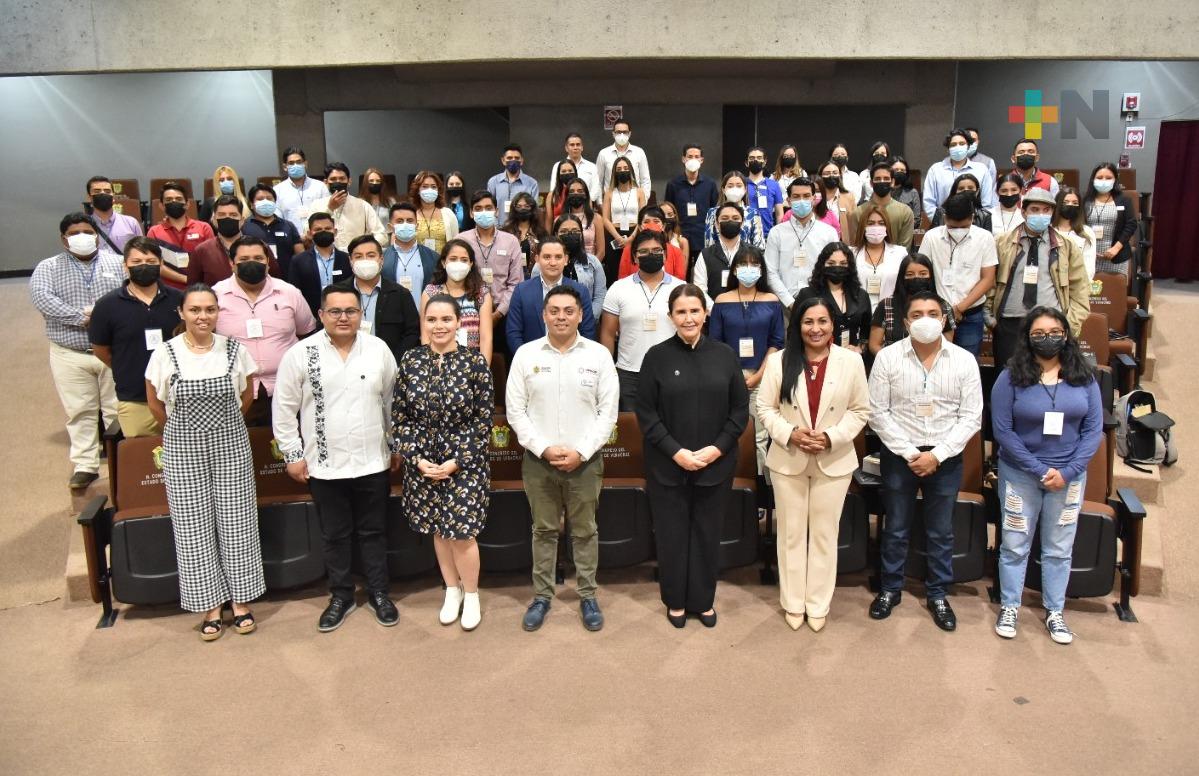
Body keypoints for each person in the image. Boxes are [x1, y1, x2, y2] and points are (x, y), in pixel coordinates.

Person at [273, 285, 399, 633]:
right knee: (335, 535)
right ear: (320, 314)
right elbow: (284, 410)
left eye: (351, 311)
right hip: (323, 464)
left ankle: (378, 592)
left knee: (374, 532)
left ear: (362, 314)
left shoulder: (378, 350)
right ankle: (340, 596)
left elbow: (392, 402)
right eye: (335, 311)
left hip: (373, 459)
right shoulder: (301, 354)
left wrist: (396, 446)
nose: (344, 318)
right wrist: (293, 454)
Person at [144, 283, 263, 641]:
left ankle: (240, 601)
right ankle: (210, 605)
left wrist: (224, 427)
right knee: (193, 527)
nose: (203, 316)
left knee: (238, 520)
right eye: (195, 309)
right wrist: (182, 433)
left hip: (231, 445)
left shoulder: (234, 350)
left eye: (210, 309)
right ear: (181, 313)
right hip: (183, 449)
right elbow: (154, 402)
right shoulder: (166, 353)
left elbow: (247, 393)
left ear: (217, 313)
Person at [506, 285, 619, 632]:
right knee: (543, 530)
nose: (561, 317)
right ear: (544, 314)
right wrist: (543, 448)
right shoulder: (526, 355)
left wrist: (581, 452)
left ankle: (587, 594)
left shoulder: (598, 356)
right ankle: (542, 595)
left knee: (585, 530)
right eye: (554, 310)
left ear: (580, 315)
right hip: (539, 462)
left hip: (585, 463)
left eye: (569, 310)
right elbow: (516, 411)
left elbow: (608, 413)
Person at [868, 291, 983, 632]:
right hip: (899, 454)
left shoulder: (963, 361)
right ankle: (890, 589)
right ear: (905, 322)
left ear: (944, 319)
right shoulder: (888, 358)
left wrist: (937, 455)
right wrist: (909, 453)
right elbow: (878, 412)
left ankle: (937, 594)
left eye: (933, 312)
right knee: (897, 527)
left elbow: (971, 417)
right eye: (917, 314)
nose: (926, 319)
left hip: (945, 457)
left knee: (941, 531)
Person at [637, 284, 749, 628]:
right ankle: (675, 600)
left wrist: (717, 449)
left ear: (706, 313)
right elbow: (646, 414)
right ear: (671, 317)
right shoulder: (655, 357)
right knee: (672, 534)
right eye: (681, 312)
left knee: (706, 533)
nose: (688, 318)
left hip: (716, 463)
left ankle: (702, 600)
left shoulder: (725, 355)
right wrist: (677, 452)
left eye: (694, 311)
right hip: (667, 465)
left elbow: (739, 410)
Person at [991, 307, 1102, 645]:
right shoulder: (1010, 376)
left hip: (1068, 477)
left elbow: (1094, 430)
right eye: (1038, 333)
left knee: (1058, 547)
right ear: (1027, 338)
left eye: (1054, 331)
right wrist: (1039, 470)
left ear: (1066, 334)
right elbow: (1002, 430)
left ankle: (1055, 611)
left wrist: (1067, 472)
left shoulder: (1084, 376)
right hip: (1020, 474)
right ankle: (1010, 605)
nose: (1047, 338)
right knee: (1014, 544)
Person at [757, 297, 869, 631]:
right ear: (798, 326)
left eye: (822, 321)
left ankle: (817, 603)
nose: (815, 328)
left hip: (833, 459)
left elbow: (860, 410)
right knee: (790, 534)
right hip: (789, 458)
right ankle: (793, 602)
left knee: (823, 534)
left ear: (833, 324)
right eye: (808, 322)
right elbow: (765, 409)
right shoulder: (779, 362)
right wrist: (791, 433)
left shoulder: (851, 362)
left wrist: (832, 437)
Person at [392, 294, 494, 631]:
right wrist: (417, 459)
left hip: (464, 461)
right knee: (438, 528)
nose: (439, 326)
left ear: (458, 323)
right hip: (422, 462)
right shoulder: (410, 360)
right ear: (424, 322)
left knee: (462, 531)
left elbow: (483, 421)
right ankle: (452, 590)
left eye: (446, 319)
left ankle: (473, 594)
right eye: (432, 320)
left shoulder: (475, 362)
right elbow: (400, 417)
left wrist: (456, 462)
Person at [31, 213, 125, 488]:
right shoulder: (48, 267)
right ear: (64, 239)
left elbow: (126, 294)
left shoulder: (117, 263)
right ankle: (85, 464)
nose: (82, 236)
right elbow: (42, 298)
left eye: (87, 231)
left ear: (96, 235)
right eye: (75, 233)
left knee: (116, 410)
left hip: (111, 351)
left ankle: (122, 462)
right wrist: (83, 317)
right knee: (80, 410)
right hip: (69, 352)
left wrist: (102, 319)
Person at [213, 235, 317, 427]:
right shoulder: (215, 296)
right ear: (231, 263)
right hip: (235, 391)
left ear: (268, 262)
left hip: (286, 388)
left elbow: (307, 333)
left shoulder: (289, 293)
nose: (252, 263)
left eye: (258, 258)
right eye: (244, 260)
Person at [89, 237, 182, 438]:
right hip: (135, 398)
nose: (144, 267)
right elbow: (101, 350)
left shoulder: (180, 299)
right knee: (146, 464)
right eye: (136, 262)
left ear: (161, 264)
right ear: (125, 266)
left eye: (150, 262)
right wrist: (126, 366)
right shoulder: (107, 305)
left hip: (181, 397)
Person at [989, 188, 1090, 366]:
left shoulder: (1067, 246)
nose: (1040, 215)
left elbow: (1080, 289)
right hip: (1010, 324)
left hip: (1051, 325)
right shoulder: (1001, 242)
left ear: (1052, 213)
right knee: (1009, 381)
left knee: (1048, 380)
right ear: (1023, 211)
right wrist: (990, 320)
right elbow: (989, 282)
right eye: (1035, 210)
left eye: (1046, 210)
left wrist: (1068, 326)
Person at [708, 247, 785, 474]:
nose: (749, 269)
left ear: (762, 270)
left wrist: (759, 375)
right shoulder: (721, 300)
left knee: (760, 436)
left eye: (755, 265)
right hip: (727, 378)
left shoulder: (771, 300)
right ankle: (730, 485)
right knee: (728, 434)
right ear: (734, 269)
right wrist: (734, 376)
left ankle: (758, 491)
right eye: (743, 264)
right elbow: (715, 343)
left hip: (764, 376)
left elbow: (777, 341)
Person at [600, 230, 685, 411]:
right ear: (635, 257)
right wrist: (608, 371)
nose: (650, 255)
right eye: (643, 251)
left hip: (672, 371)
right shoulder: (618, 288)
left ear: (665, 254)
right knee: (633, 433)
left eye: (656, 250)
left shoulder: (680, 288)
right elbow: (607, 334)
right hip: (629, 374)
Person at [921, 192, 998, 357]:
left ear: (972, 218)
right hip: (936, 313)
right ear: (944, 217)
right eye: (952, 227)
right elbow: (923, 275)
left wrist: (959, 309)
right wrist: (944, 309)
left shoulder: (985, 238)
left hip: (971, 314)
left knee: (968, 363)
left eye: (963, 227)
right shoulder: (931, 237)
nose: (957, 231)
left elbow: (988, 278)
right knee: (934, 361)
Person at [331, 235, 421, 363]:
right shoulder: (336, 293)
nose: (365, 260)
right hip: (344, 363)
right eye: (358, 256)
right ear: (350, 261)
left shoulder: (400, 294)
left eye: (371, 255)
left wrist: (393, 361)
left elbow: (412, 332)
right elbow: (325, 328)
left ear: (381, 260)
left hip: (388, 365)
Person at [457, 191, 522, 353]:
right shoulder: (461, 240)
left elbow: (515, 282)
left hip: (503, 314)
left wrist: (498, 314)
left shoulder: (511, 241)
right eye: (478, 209)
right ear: (471, 213)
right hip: (469, 313)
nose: (483, 212)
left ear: (496, 211)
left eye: (488, 208)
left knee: (502, 364)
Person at [507, 237, 596, 353]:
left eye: (558, 257)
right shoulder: (521, 291)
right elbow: (513, 333)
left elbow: (588, 332)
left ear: (566, 259)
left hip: (571, 361)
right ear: (537, 259)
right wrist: (527, 359)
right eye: (547, 257)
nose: (553, 263)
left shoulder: (580, 292)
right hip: (532, 362)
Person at [765, 178, 840, 312]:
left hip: (820, 305)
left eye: (806, 196)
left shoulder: (829, 233)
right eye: (796, 197)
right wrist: (790, 303)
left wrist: (818, 302)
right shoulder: (776, 233)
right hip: (784, 307)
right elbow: (771, 272)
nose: (801, 200)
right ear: (788, 201)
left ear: (814, 198)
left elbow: (833, 270)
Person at [420, 239, 494, 364]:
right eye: (453, 259)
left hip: (472, 364)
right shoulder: (430, 293)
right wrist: (434, 367)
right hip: (438, 363)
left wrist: (482, 371)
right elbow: (426, 337)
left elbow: (486, 339)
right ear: (444, 262)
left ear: (471, 264)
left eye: (464, 260)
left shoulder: (482, 294)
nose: (458, 263)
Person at [868, 254, 956, 355]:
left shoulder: (944, 306)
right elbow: (874, 345)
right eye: (910, 274)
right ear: (902, 277)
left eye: (923, 274)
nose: (916, 278)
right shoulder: (886, 305)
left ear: (931, 276)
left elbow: (947, 345)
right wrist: (892, 362)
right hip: (894, 365)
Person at [187, 195, 281, 287]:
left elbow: (275, 279)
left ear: (242, 220)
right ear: (214, 220)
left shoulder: (260, 247)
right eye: (222, 215)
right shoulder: (201, 251)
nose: (227, 218)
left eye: (233, 215)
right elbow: (193, 288)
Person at [794, 242, 872, 353]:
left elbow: (867, 332)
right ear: (822, 265)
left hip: (851, 359)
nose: (837, 267)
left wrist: (860, 348)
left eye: (843, 263)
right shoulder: (807, 295)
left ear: (850, 266)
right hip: (815, 358)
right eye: (831, 263)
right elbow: (794, 332)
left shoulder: (861, 295)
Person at [538, 215, 607, 319]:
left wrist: (586, 319)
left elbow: (600, 296)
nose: (570, 234)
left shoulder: (593, 262)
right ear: (556, 234)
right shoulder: (541, 264)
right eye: (564, 231)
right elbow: (536, 297)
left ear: (581, 235)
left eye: (575, 231)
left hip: (585, 321)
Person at [146, 182, 212, 288]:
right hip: (167, 291)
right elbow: (155, 265)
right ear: (161, 206)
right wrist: (187, 279)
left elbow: (210, 261)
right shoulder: (154, 232)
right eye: (168, 200)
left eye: (178, 199)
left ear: (187, 204)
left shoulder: (204, 228)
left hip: (200, 289)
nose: (174, 202)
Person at [311, 162, 388, 251]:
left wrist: (364, 248)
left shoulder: (363, 205)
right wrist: (329, 209)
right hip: (326, 256)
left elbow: (382, 235)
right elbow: (308, 232)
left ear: (349, 181)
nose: (338, 182)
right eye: (333, 179)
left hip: (356, 256)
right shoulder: (316, 205)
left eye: (342, 179)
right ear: (326, 182)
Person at [922, 128, 996, 220]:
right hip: (942, 225)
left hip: (974, 226)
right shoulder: (936, 170)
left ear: (968, 146)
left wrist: (976, 223)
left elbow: (987, 203)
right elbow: (928, 203)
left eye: (962, 144)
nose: (957, 147)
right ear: (948, 148)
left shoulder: (981, 170)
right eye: (953, 145)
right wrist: (942, 222)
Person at [663, 143, 719, 264]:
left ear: (701, 160)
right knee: (682, 273)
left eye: (696, 156)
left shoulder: (710, 184)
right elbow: (668, 211)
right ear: (683, 159)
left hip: (703, 236)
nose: (693, 159)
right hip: (680, 237)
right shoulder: (673, 184)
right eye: (690, 156)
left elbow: (714, 211)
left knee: (703, 273)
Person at [289, 212, 350, 318]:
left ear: (335, 232)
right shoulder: (298, 260)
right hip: (310, 315)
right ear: (309, 233)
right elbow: (295, 292)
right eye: (318, 229)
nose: (323, 232)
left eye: (327, 228)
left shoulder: (347, 259)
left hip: (343, 315)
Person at [1083, 162, 1138, 276]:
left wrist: (1116, 248)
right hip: (1088, 256)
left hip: (1116, 256)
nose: (1103, 181)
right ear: (1093, 180)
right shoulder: (1084, 200)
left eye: (1108, 178)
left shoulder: (1124, 200)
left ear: (1115, 180)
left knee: (1113, 291)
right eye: (1099, 177)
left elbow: (1131, 225)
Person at [241, 184, 305, 280]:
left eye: (269, 198)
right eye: (260, 199)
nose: (265, 201)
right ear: (251, 204)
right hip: (256, 279)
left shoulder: (288, 225)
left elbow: (301, 255)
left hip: (287, 279)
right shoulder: (244, 226)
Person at [382, 202, 440, 308]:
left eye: (410, 221)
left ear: (416, 226)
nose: (405, 224)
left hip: (423, 318)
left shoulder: (433, 257)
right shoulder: (382, 258)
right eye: (399, 221)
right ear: (390, 227)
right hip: (392, 319)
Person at [851, 203, 907, 309]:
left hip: (890, 313)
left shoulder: (900, 253)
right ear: (863, 226)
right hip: (859, 314)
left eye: (881, 223)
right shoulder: (851, 254)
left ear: (887, 226)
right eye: (871, 223)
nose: (876, 227)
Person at [616, 206, 688, 281]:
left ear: (663, 226)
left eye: (656, 221)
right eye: (646, 222)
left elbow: (679, 281)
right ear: (640, 227)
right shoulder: (628, 251)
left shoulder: (676, 252)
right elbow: (623, 279)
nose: (651, 225)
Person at [853, 163, 914, 249]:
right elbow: (856, 246)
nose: (882, 181)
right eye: (878, 179)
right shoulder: (858, 212)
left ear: (892, 182)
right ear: (871, 183)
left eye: (886, 178)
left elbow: (904, 249)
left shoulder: (905, 212)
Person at [694, 203, 748, 299]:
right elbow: (700, 291)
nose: (730, 221)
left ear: (742, 223)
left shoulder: (752, 253)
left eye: (735, 218)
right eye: (725, 218)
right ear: (717, 224)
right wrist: (716, 311)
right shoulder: (705, 254)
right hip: (713, 311)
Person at [273, 146, 330, 234]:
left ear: (305, 164)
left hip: (318, 238)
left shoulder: (320, 187)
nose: (295, 165)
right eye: (291, 163)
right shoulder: (277, 190)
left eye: (299, 162)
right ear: (285, 167)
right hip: (291, 241)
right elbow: (277, 219)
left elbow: (328, 213)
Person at [703, 172, 766, 249]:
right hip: (718, 259)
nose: (734, 188)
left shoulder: (753, 213)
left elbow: (759, 245)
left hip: (745, 259)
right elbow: (709, 242)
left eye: (739, 186)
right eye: (730, 186)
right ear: (723, 189)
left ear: (745, 189)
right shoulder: (712, 212)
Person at [602, 156, 646, 263]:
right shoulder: (609, 193)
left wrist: (631, 239)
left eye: (626, 168)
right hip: (614, 234)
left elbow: (643, 217)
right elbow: (605, 219)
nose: (623, 171)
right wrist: (618, 238)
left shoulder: (639, 192)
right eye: (619, 169)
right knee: (614, 269)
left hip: (635, 233)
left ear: (630, 170)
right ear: (614, 173)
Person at [84, 176, 142, 253]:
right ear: (89, 198)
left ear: (113, 197)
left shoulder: (131, 223)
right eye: (97, 191)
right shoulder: (85, 226)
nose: (102, 193)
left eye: (107, 191)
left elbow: (141, 251)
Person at [486, 144, 539, 227]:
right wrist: (496, 228)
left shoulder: (532, 183)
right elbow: (489, 207)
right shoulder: (493, 182)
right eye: (509, 158)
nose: (513, 160)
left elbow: (534, 211)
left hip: (522, 230)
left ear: (521, 161)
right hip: (499, 230)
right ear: (503, 160)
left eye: (517, 158)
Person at [596, 119, 651, 198]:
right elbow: (598, 181)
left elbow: (645, 180)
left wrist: (643, 201)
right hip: (611, 201)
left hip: (635, 201)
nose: (622, 135)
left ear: (630, 134)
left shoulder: (639, 152)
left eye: (625, 132)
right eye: (618, 132)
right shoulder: (604, 154)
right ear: (613, 134)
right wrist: (600, 203)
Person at [409, 170, 460, 253]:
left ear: (438, 190)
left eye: (433, 187)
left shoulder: (448, 214)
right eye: (425, 186)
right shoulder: (411, 214)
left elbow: (456, 241)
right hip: (417, 262)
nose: (429, 189)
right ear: (418, 190)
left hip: (442, 263)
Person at [561, 178, 607, 266]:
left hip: (591, 265)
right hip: (566, 266)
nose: (576, 193)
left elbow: (601, 252)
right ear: (567, 195)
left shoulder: (596, 218)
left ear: (585, 195)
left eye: (580, 191)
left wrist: (590, 268)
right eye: (572, 191)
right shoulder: (560, 219)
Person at [1055, 187, 1098, 280]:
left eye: (1075, 203)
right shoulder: (1048, 230)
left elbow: (1089, 266)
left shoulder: (1087, 232)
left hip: (1077, 284)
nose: (1070, 205)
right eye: (1065, 202)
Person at [547, 132, 601, 206]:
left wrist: (585, 202)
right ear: (566, 148)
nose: (575, 147)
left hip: (587, 206)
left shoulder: (592, 167)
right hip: (563, 207)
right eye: (572, 145)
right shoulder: (557, 166)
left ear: (582, 147)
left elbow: (596, 188)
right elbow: (554, 188)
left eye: (578, 144)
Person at [501, 191, 545, 277]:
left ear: (532, 209)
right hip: (510, 277)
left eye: (526, 206)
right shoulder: (505, 232)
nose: (523, 209)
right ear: (513, 209)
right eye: (519, 206)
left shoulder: (541, 233)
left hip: (534, 277)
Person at [929, 173, 994, 232]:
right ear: (955, 191)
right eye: (961, 188)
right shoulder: (941, 212)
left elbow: (987, 239)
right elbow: (933, 236)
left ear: (977, 191)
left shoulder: (985, 215)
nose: (966, 190)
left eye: (970, 188)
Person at [813, 160, 859, 239]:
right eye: (827, 173)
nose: (831, 176)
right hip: (818, 239)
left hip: (842, 242)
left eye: (835, 173)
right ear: (820, 176)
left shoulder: (849, 197)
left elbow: (853, 224)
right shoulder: (815, 197)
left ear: (840, 175)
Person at [744, 146, 785, 233]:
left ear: (765, 162)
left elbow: (779, 213)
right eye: (751, 158)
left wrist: (778, 234)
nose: (755, 160)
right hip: (745, 234)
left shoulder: (774, 185)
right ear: (746, 162)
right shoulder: (741, 184)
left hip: (767, 234)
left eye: (759, 158)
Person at [543, 159, 578, 231]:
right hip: (558, 235)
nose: (567, 173)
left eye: (570, 171)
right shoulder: (552, 195)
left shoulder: (583, 193)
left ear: (575, 172)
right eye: (564, 171)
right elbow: (549, 222)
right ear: (559, 174)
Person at [889, 156, 922, 229]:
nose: (899, 172)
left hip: (907, 233)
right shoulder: (884, 191)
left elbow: (917, 220)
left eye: (902, 170)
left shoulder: (913, 192)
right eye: (896, 170)